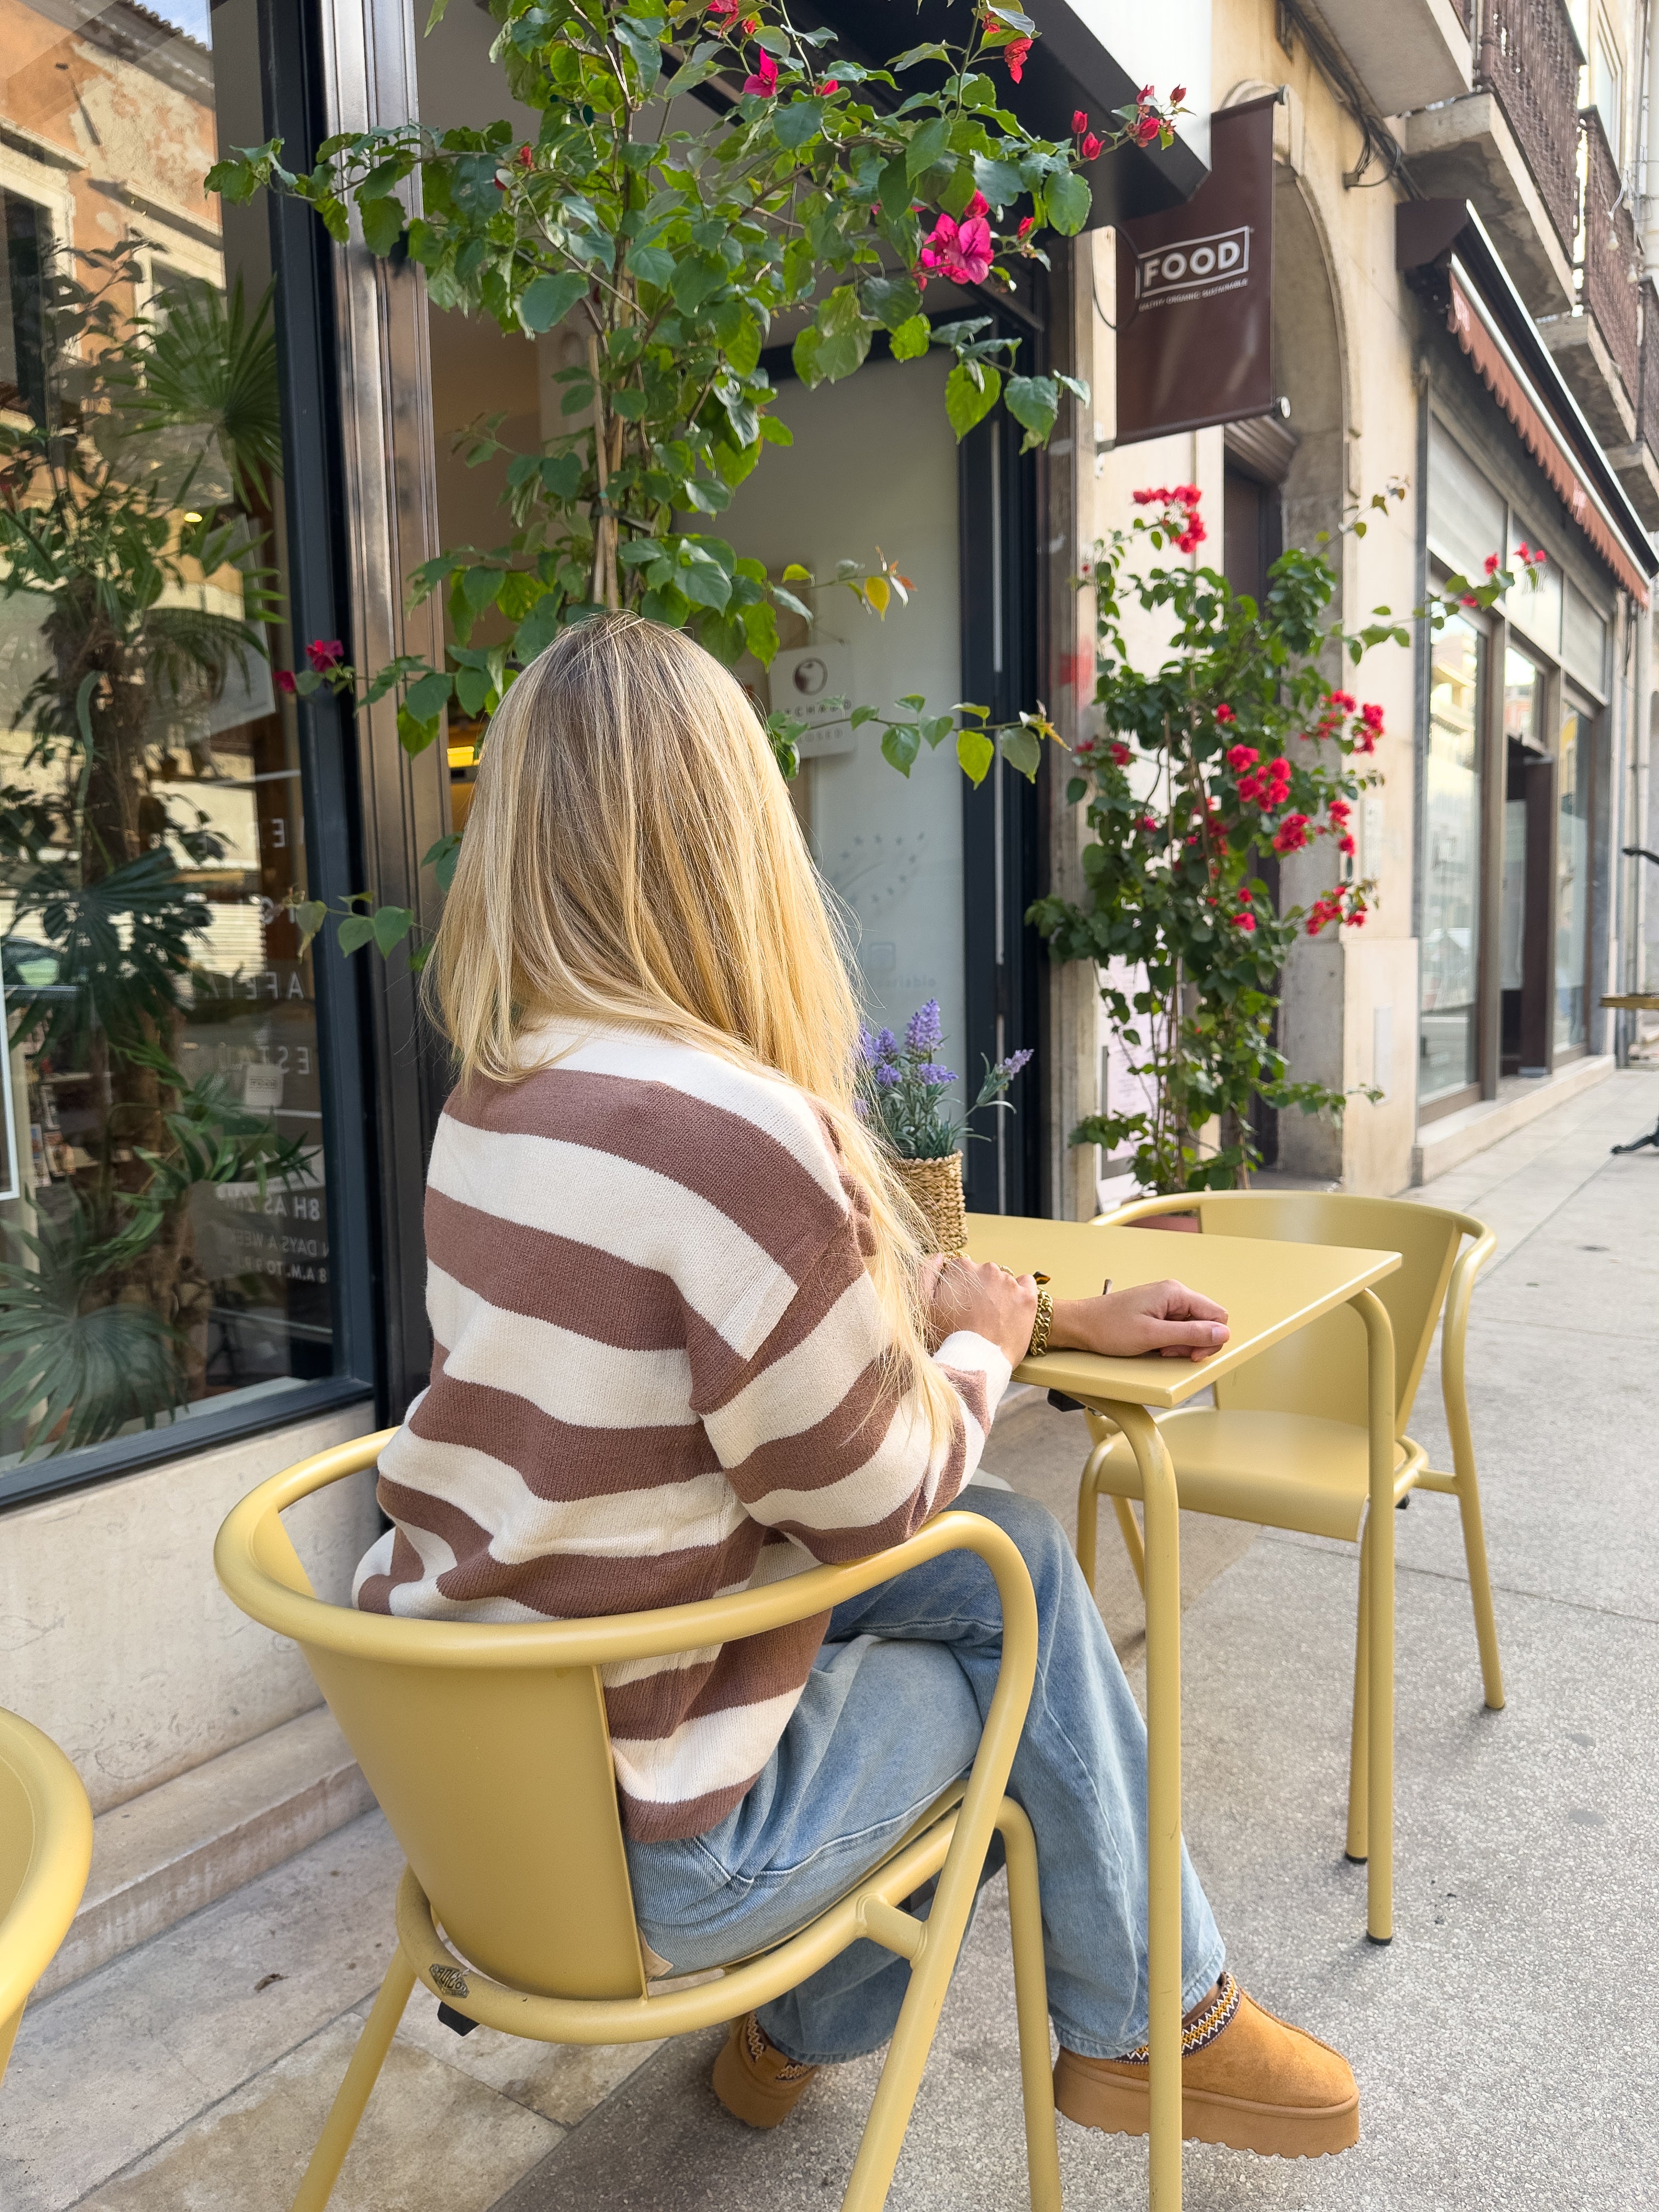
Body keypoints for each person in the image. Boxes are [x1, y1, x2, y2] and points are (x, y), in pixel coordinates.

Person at [354, 612, 1359, 2160]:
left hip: (496, 1797)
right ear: (735, 831)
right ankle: (1147, 2025)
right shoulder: (736, 1127)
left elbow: (682, 1340)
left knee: (1012, 1560)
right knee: (1015, 1667)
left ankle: (810, 2040)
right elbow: (873, 1501)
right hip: (663, 1858)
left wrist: (1033, 1309)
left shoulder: (494, 1105)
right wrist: (987, 1345)